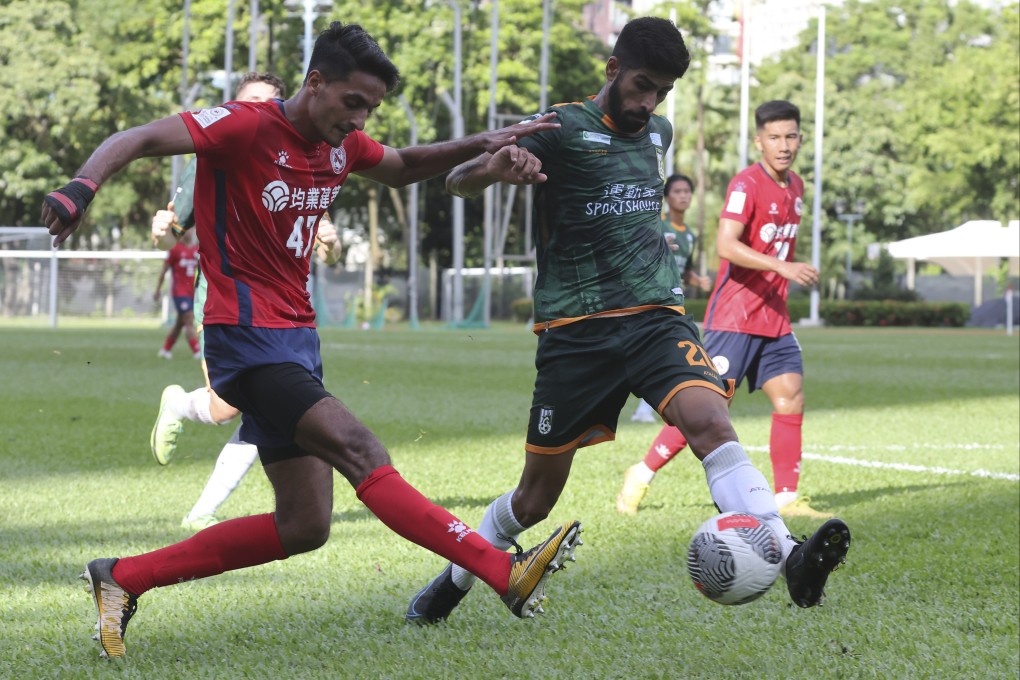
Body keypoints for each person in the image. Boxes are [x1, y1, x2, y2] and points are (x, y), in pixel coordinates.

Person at [42, 22, 583, 660]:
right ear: (315, 82)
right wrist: (82, 187)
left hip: (296, 340)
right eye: (353, 102)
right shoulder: (243, 125)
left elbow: (405, 166)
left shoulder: (343, 145)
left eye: (371, 109)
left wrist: (485, 142)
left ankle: (122, 577)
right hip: (245, 340)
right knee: (360, 448)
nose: (359, 119)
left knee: (306, 525)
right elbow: (134, 138)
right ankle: (501, 570)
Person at [406, 18, 850, 626]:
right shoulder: (558, 126)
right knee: (534, 500)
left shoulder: (658, 133)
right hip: (575, 334)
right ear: (612, 69)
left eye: (662, 92)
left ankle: (791, 555)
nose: (649, 103)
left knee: (711, 424)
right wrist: (492, 170)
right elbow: (457, 180)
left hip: (655, 320)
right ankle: (454, 581)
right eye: (641, 85)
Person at [616, 100, 829, 519]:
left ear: (800, 139)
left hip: (775, 317)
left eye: (790, 136)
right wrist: (784, 266)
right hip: (736, 317)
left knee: (790, 397)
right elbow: (726, 245)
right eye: (774, 137)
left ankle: (786, 497)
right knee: (709, 407)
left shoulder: (797, 187)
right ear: (759, 141)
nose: (783, 145)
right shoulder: (746, 184)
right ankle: (641, 472)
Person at [148, 72, 304, 533]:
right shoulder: (213, 155)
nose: (257, 108)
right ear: (233, 107)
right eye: (248, 101)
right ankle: (179, 405)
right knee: (231, 408)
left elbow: (321, 239)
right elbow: (170, 236)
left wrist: (331, 242)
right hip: (222, 303)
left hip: (286, 310)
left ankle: (202, 512)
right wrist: (161, 232)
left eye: (267, 102)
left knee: (269, 409)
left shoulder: (299, 160)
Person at [630, 173, 712, 423]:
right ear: (667, 197)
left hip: (672, 301)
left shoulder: (689, 234)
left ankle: (647, 409)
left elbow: (682, 267)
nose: (683, 196)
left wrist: (696, 279)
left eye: (687, 191)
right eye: (677, 191)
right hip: (648, 299)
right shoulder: (657, 224)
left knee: (663, 353)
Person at [153, 230, 200, 359]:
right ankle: (198, 351)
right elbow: (164, 271)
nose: (188, 233)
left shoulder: (196, 250)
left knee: (180, 323)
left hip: (190, 293)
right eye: (185, 231)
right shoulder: (175, 250)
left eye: (190, 230)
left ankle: (165, 350)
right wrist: (157, 289)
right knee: (189, 319)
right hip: (179, 292)